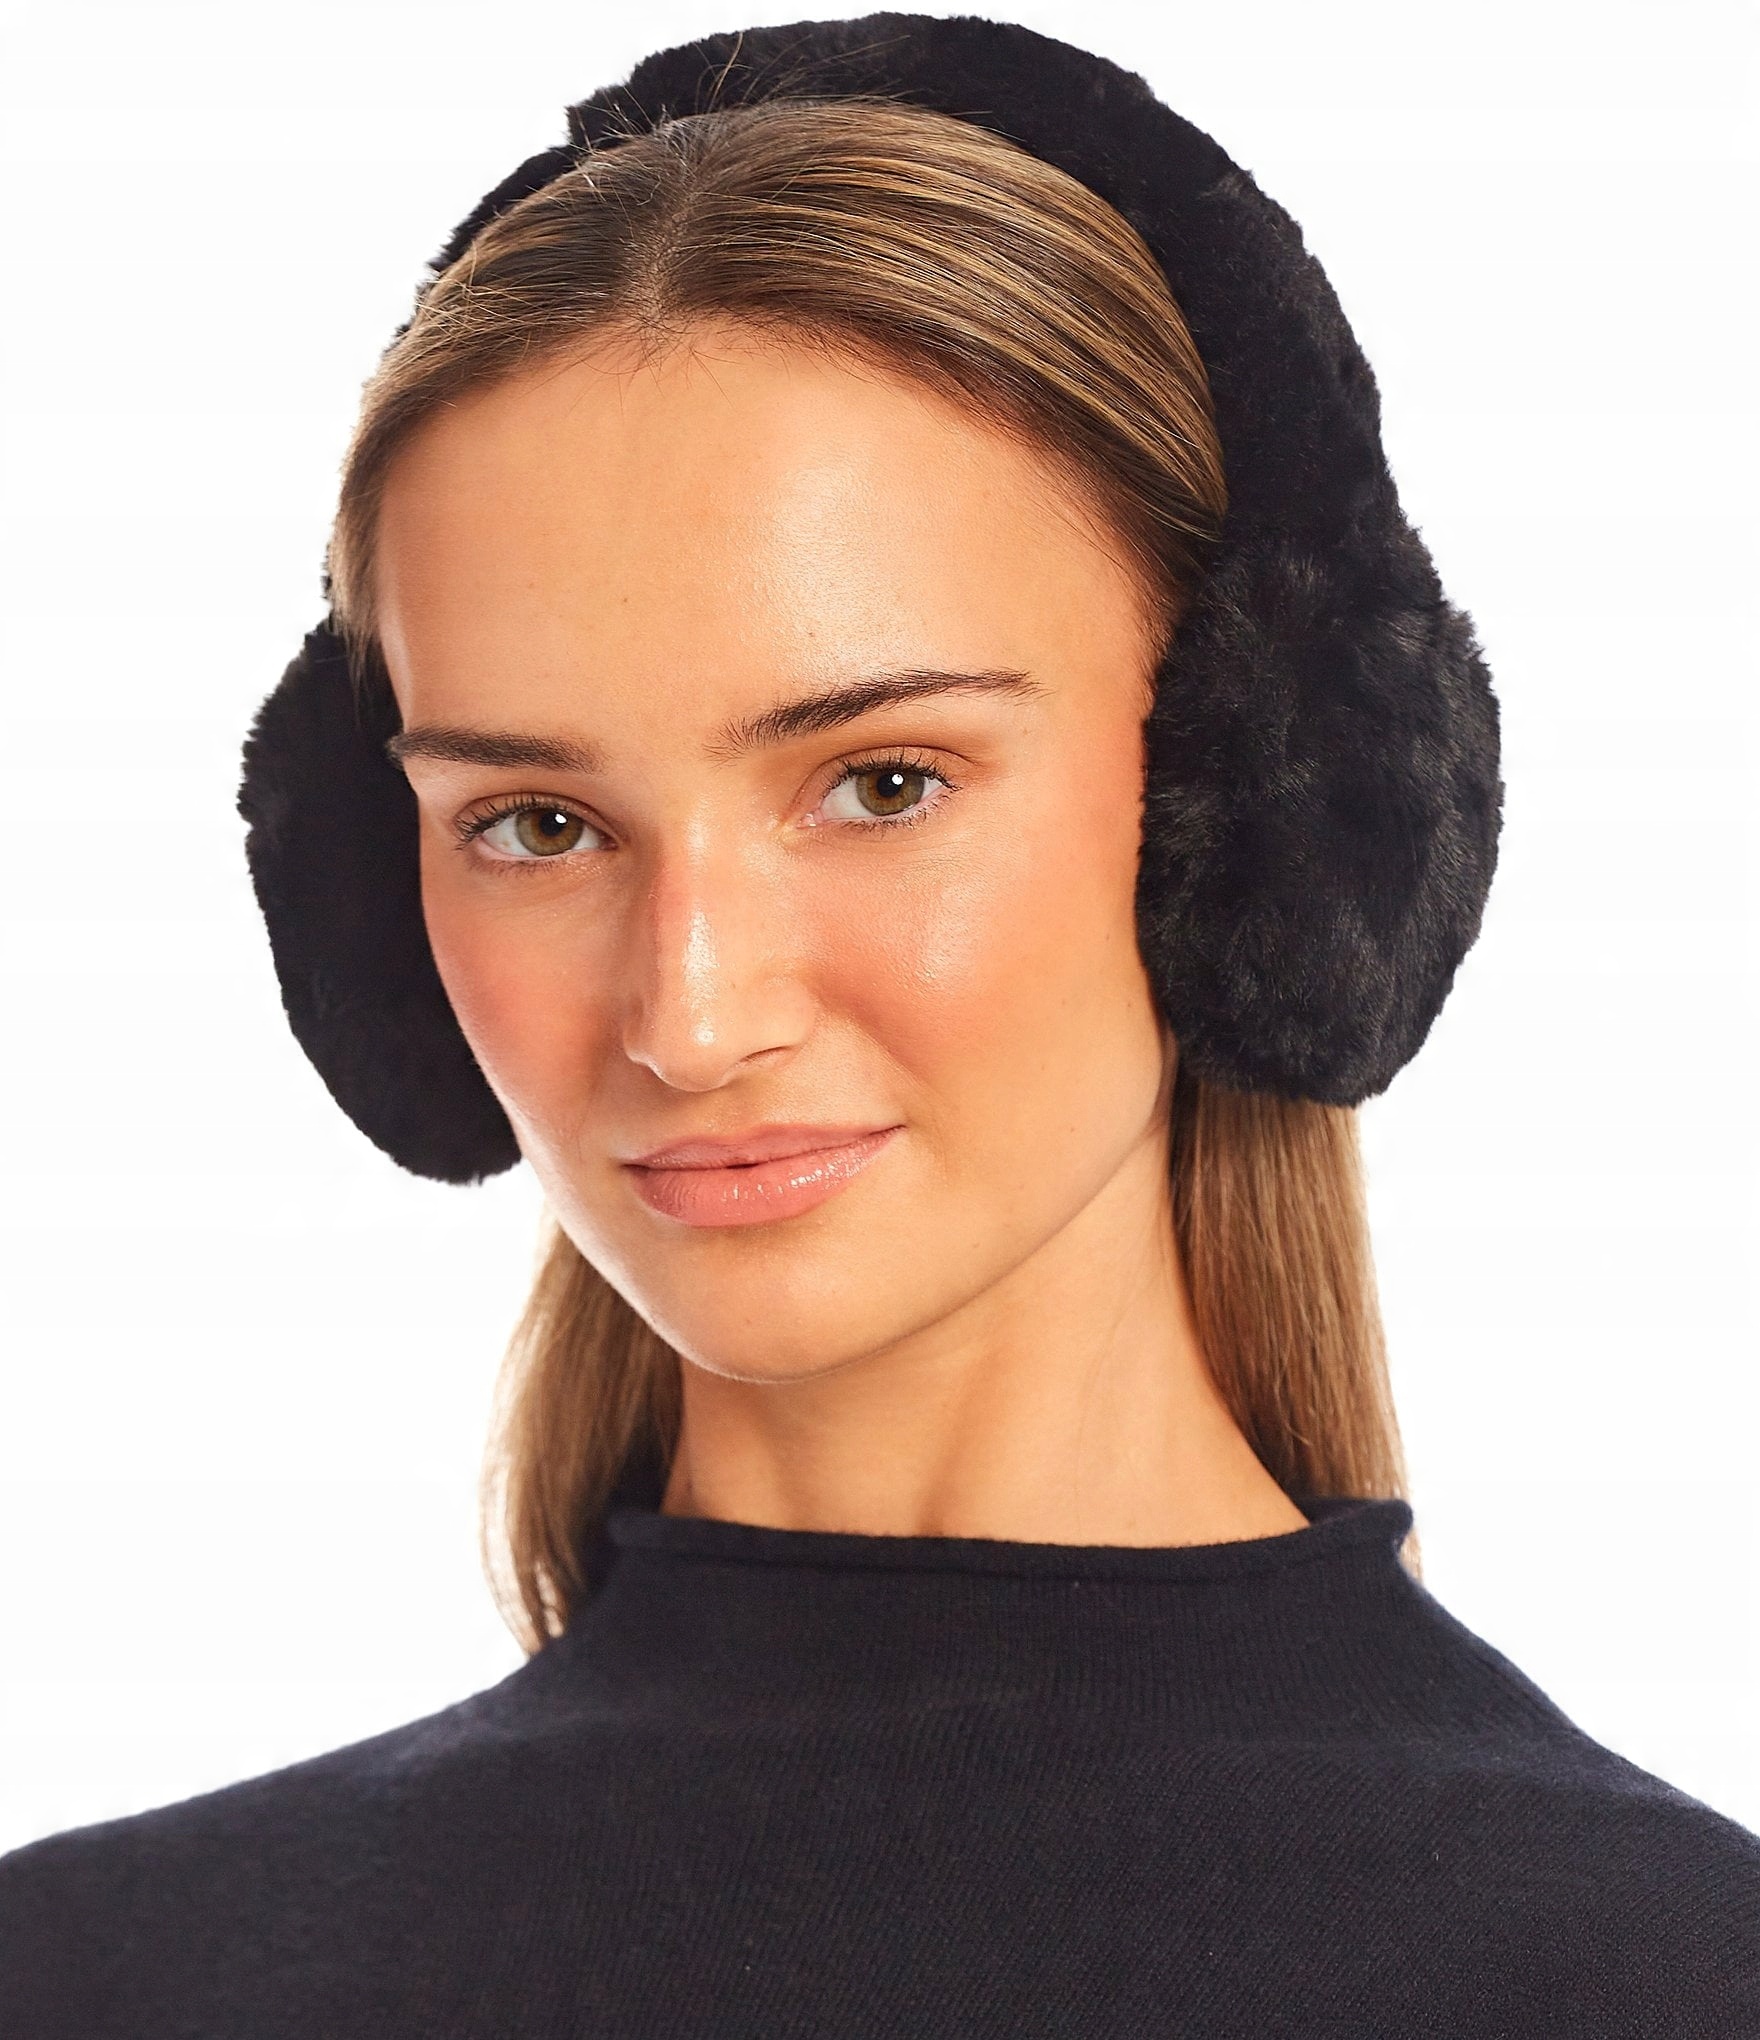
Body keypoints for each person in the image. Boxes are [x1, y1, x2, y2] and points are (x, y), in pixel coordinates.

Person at [2, 15, 1755, 2036]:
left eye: (882, 782)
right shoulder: (94, 1974)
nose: (690, 1015)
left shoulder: (1663, 1981)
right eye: (538, 823)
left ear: (1256, 801)